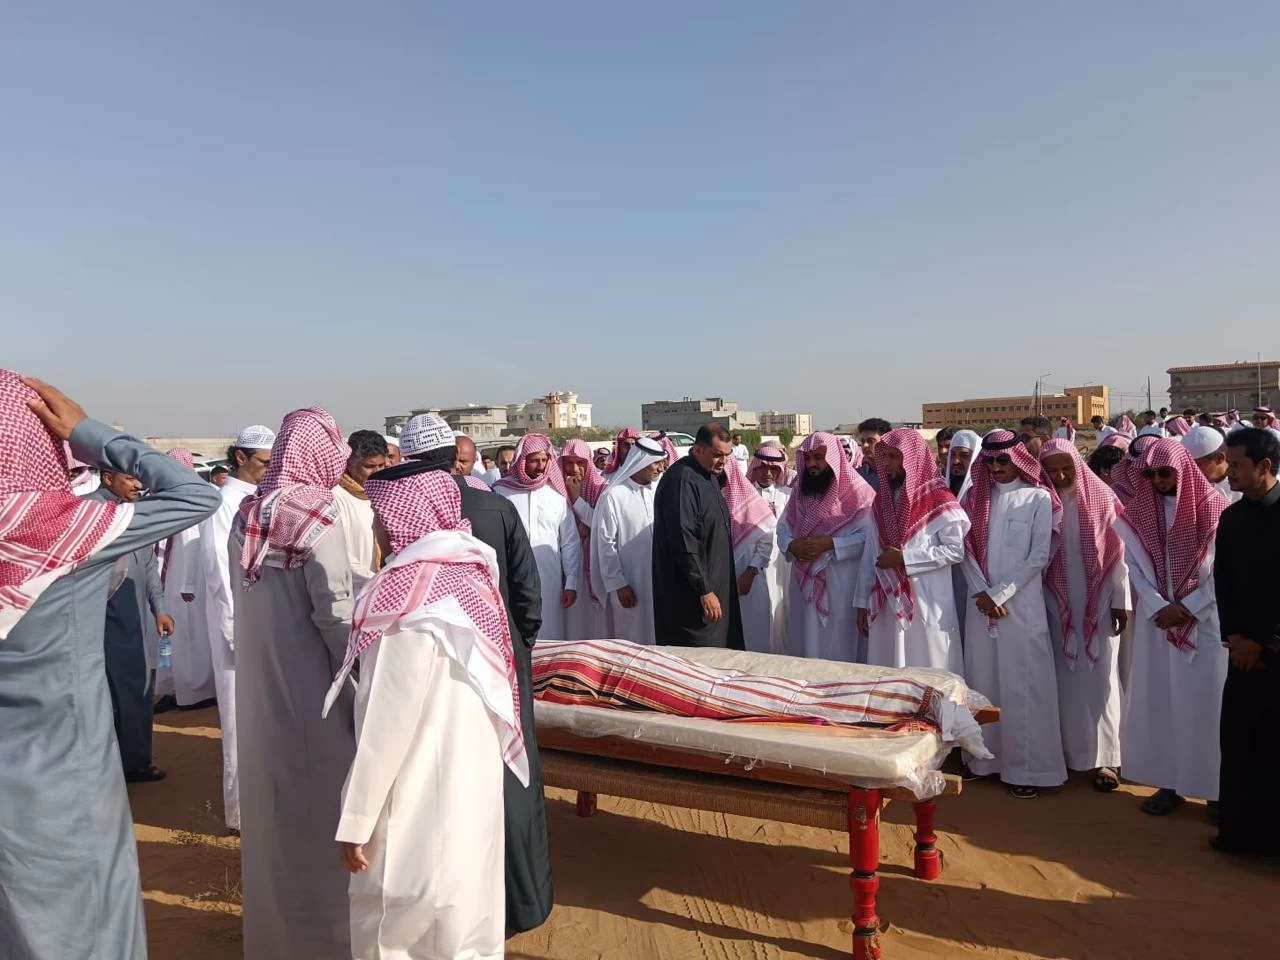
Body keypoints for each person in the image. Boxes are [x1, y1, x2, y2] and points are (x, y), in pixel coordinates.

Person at [0, 371, 219, 960]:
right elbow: (196, 496)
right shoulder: (69, 528)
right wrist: (90, 434)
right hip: (66, 767)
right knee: (86, 916)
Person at [327, 469, 529, 958]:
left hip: (415, 790)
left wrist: (356, 820)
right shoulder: (473, 574)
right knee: (465, 909)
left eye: (380, 515)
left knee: (400, 919)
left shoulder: (406, 599)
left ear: (403, 518)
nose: (376, 527)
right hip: (471, 785)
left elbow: (385, 724)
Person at [388, 412, 552, 932]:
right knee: (512, 770)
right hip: (501, 656)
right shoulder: (494, 505)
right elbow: (527, 594)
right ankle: (524, 901)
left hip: (431, 666)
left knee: (448, 778)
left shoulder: (395, 508)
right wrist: (515, 645)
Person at [233, 407, 357, 959]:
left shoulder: (248, 512)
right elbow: (335, 615)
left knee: (275, 819)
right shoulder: (317, 514)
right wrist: (364, 678)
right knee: (318, 817)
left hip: (260, 691)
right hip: (314, 693)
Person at [1115, 438, 1229, 819]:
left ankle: (1215, 792)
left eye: (1165, 473)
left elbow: (1223, 571)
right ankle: (1170, 784)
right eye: (1150, 474)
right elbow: (1133, 565)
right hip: (1158, 624)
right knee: (1162, 705)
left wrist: (1187, 608)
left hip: (1204, 624)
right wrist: (1159, 606)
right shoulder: (1139, 513)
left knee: (1206, 710)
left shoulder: (1213, 507)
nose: (1158, 480)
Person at [960, 430, 1065, 798]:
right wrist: (982, 592)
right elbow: (965, 551)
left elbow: (1038, 556)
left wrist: (999, 594)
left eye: (1003, 460)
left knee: (1024, 687)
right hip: (980, 606)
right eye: (989, 461)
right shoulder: (973, 497)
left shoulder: (1038, 498)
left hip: (1020, 607)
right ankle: (982, 761)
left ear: (1019, 459)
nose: (996, 467)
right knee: (983, 681)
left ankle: (1027, 770)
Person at [1038, 439, 1129, 791]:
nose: (1060, 476)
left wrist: (1120, 600)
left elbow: (1120, 555)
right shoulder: (1043, 501)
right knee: (1064, 679)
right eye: (1052, 470)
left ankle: (1108, 758)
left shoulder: (1102, 497)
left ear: (1078, 464)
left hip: (1101, 602)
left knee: (1102, 678)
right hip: (1055, 603)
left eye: (1066, 468)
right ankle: (1070, 753)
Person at [198, 424, 274, 834]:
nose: (269, 468)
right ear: (241, 457)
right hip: (236, 627)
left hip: (260, 624)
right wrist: (234, 633)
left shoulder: (260, 498)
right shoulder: (223, 503)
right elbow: (218, 576)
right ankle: (241, 813)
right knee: (238, 719)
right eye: (263, 461)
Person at [1212, 428, 1280, 854]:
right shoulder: (1232, 517)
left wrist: (1265, 642)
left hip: (1273, 651)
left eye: (1237, 465)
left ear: (1264, 466)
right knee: (1240, 743)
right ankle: (1240, 835)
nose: (1230, 472)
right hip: (1241, 653)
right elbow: (1224, 582)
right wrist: (1235, 636)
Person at [856, 429, 969, 674]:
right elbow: (870, 553)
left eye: (894, 456)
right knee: (887, 670)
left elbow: (955, 550)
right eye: (884, 457)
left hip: (928, 602)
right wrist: (862, 602)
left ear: (912, 458)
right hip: (885, 600)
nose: (886, 463)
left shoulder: (939, 498)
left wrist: (904, 558)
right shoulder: (882, 500)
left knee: (929, 668)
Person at [90, 464, 174, 779]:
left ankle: (135, 762)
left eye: (139, 478)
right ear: (107, 478)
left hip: (132, 621)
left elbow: (148, 565)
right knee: (107, 696)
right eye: (130, 478)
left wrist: (159, 609)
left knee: (137, 689)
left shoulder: (133, 512)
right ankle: (110, 769)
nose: (138, 485)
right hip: (101, 621)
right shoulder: (90, 512)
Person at [779, 431, 875, 661]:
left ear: (832, 458)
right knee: (803, 640)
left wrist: (831, 544)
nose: (812, 464)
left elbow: (869, 538)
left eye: (818, 458)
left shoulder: (858, 492)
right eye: (808, 458)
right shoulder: (800, 491)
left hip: (841, 582)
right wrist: (791, 545)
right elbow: (782, 527)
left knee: (838, 645)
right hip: (803, 581)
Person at [652, 423, 744, 649]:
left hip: (715, 588)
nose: (723, 461)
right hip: (691, 598)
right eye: (717, 455)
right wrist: (704, 590)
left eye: (727, 455)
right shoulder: (682, 480)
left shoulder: (709, 475)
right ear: (698, 449)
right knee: (698, 655)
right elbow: (683, 541)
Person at [493, 433, 581, 641]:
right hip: (511, 578)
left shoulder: (556, 495)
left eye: (544, 459)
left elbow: (569, 542)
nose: (541, 466)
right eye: (534, 460)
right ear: (522, 460)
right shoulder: (501, 492)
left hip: (550, 579)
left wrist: (571, 582)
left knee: (550, 634)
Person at [155, 449, 216, 710]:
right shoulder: (169, 495)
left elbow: (193, 542)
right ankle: (173, 688)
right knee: (173, 637)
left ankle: (195, 692)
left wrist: (189, 583)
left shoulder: (194, 495)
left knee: (190, 636)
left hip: (189, 582)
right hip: (171, 578)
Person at [590, 438, 667, 645]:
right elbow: (606, 544)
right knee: (632, 637)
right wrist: (618, 583)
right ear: (641, 461)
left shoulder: (658, 491)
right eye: (656, 463)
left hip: (659, 581)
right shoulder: (614, 496)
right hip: (630, 583)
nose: (661, 468)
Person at [561, 437, 609, 641]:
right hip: (565, 566)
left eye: (580, 462)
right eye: (569, 463)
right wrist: (576, 531)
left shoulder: (602, 488)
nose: (574, 469)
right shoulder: (556, 488)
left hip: (594, 564)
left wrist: (576, 499)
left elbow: (601, 524)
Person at [333, 430, 389, 593]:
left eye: (381, 465)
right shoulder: (335, 497)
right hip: (353, 590)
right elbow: (340, 556)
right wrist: (376, 582)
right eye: (369, 466)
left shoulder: (387, 493)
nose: (377, 472)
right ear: (349, 464)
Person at [1182, 425, 1237, 502]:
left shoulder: (1243, 485)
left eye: (1197, 465)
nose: (1192, 471)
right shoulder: (1189, 486)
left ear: (1219, 458)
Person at [749, 444, 791, 516]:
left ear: (779, 471)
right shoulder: (745, 493)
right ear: (755, 468)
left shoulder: (788, 494)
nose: (768, 473)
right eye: (763, 467)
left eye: (773, 468)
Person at [945, 429, 981, 498]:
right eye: (953, 454)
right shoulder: (941, 487)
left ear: (976, 457)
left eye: (964, 455)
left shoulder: (981, 493)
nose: (955, 461)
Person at [856, 418, 891, 490]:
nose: (865, 445)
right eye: (862, 441)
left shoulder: (894, 474)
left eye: (870, 441)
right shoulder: (857, 475)